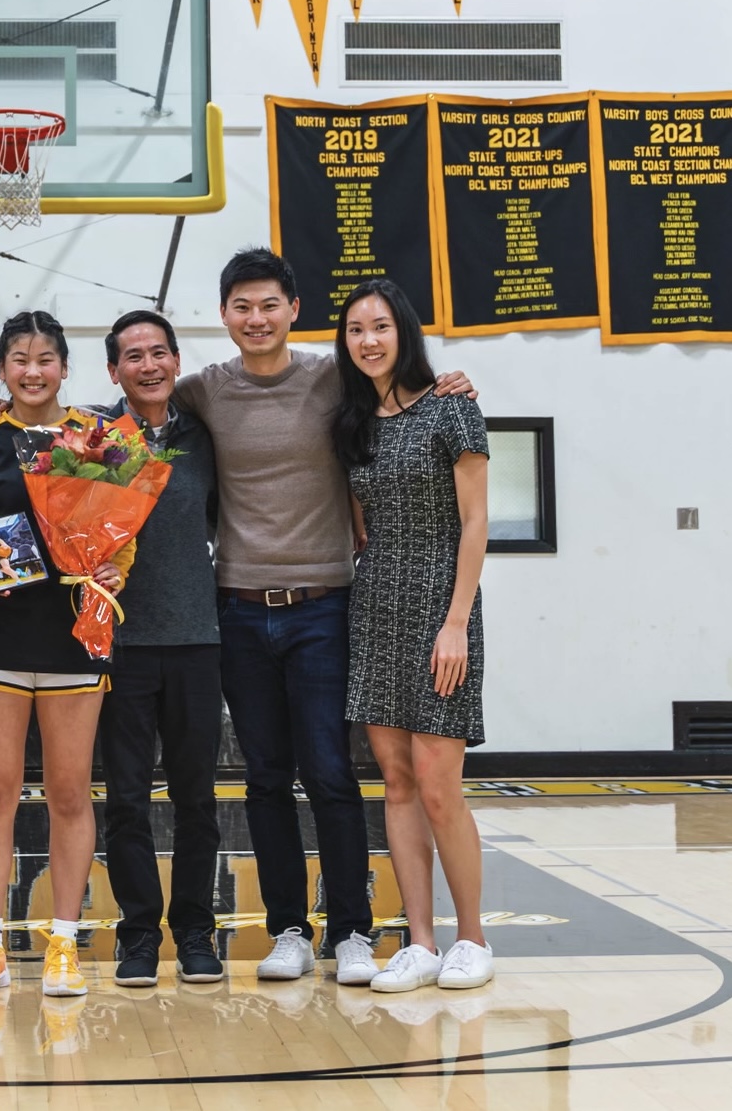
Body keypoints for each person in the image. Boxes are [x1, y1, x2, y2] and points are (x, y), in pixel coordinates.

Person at [172, 249, 472, 986]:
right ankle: (287, 930)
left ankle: (350, 930)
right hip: (238, 609)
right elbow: (135, 404)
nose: (255, 318)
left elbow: (402, 390)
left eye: (268, 303)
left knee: (331, 773)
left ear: (292, 308)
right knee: (265, 778)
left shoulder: (336, 379)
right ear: (224, 315)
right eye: (241, 306)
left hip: (327, 607)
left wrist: (448, 382)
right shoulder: (204, 390)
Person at [0, 311, 131, 998]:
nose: (32, 370)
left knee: (67, 791)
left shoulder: (98, 437)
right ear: (1, 367)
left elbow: (120, 530)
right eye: (19, 358)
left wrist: (116, 570)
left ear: (64, 366)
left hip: (73, 637)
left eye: (46, 358)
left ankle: (62, 942)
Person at [334, 280, 494, 994]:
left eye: (379, 326)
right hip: (373, 608)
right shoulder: (353, 422)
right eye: (354, 330)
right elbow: (359, 523)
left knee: (437, 787)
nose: (367, 340)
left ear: (403, 331)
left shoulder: (451, 407)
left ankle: (472, 938)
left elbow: (475, 521)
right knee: (395, 784)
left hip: (439, 610)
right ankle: (421, 942)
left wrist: (456, 619)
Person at [95, 311, 226, 988]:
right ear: (112, 371)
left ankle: (196, 932)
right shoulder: (90, 442)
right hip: (121, 644)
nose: (147, 365)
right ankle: (138, 934)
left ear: (175, 360)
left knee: (197, 797)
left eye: (158, 352)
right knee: (125, 799)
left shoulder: (206, 436)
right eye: (132, 356)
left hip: (198, 641)